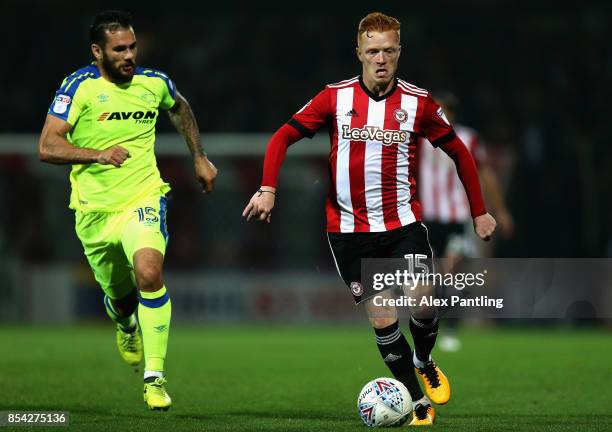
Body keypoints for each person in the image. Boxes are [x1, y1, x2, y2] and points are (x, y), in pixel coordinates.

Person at [243, 11, 496, 426]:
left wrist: (479, 211)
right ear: (359, 52)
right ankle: (417, 402)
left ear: (399, 53)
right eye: (373, 51)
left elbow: (460, 152)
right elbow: (282, 136)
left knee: (424, 301)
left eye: (389, 51)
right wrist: (268, 188)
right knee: (382, 317)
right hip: (348, 232)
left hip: (402, 224)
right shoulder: (334, 98)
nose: (381, 59)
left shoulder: (419, 103)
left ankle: (425, 360)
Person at [38, 10, 217, 411]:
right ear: (97, 51)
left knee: (150, 274)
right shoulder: (78, 87)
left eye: (133, 46)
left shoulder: (153, 82)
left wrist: (199, 157)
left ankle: (155, 378)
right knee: (120, 298)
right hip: (94, 213)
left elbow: (179, 106)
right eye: (119, 49)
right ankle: (124, 321)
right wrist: (97, 154)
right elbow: (47, 146)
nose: (129, 55)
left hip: (143, 198)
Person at [418, 92, 514, 351]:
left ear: (452, 112)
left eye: (441, 111)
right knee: (428, 279)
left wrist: (501, 211)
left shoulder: (468, 138)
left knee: (452, 272)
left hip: (456, 218)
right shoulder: (419, 136)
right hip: (427, 219)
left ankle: (450, 329)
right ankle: (429, 328)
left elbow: (485, 175)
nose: (436, 115)